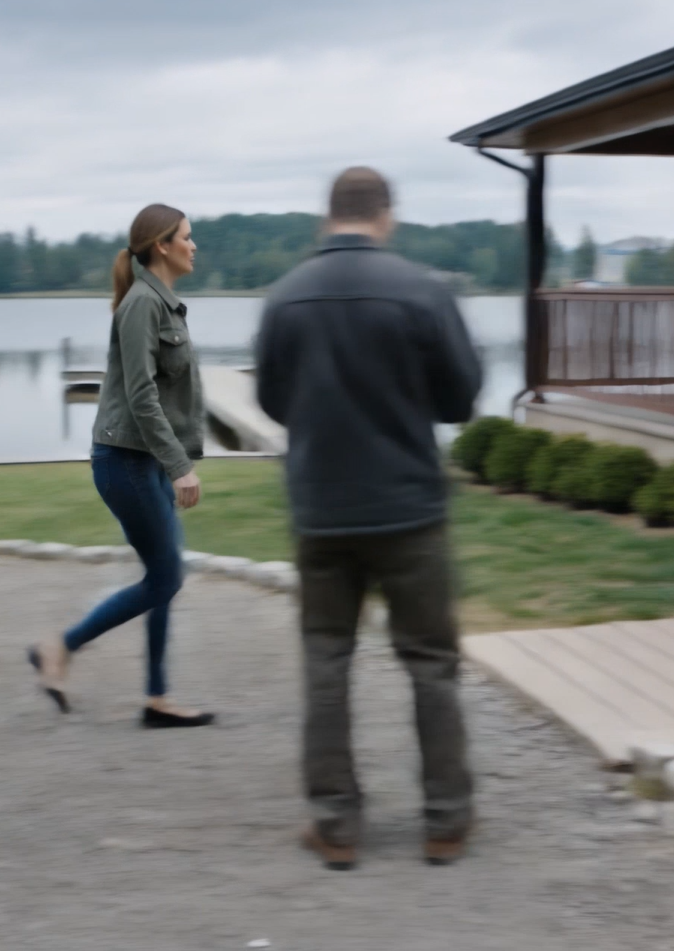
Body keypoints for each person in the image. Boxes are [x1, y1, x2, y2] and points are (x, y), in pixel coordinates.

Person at [255, 167, 482, 869]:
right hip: (408, 510)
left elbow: (271, 398)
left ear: (329, 216)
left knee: (326, 661)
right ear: (385, 215)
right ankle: (444, 822)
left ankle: (336, 825)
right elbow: (460, 399)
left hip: (321, 510)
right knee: (431, 665)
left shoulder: (285, 298)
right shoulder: (423, 291)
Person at [27, 203, 213, 729]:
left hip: (144, 460)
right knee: (165, 578)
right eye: (187, 237)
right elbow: (140, 395)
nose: (194, 246)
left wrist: (171, 461)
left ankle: (157, 698)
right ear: (162, 245)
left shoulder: (162, 304)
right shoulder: (141, 306)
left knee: (165, 575)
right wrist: (180, 466)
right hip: (126, 462)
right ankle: (59, 648)